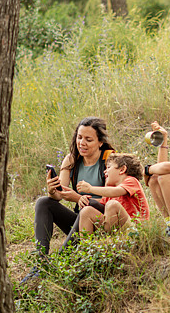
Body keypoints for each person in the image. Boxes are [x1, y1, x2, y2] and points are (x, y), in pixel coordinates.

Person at [21, 117, 115, 284]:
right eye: (79, 137)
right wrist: (52, 190)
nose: (82, 143)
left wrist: (78, 197)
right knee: (44, 202)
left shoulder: (109, 160)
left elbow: (112, 200)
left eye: (88, 139)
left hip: (102, 221)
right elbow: (60, 195)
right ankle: (40, 262)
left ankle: (60, 261)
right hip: (79, 222)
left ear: (100, 142)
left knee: (90, 204)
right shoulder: (72, 159)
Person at [76, 153, 150, 234]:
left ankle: (109, 240)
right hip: (117, 227)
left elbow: (115, 192)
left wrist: (90, 189)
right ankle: (86, 245)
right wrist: (84, 199)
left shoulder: (131, 181)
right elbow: (99, 203)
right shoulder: (111, 192)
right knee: (87, 211)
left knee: (112, 205)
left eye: (108, 167)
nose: (105, 171)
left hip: (134, 229)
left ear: (122, 169)